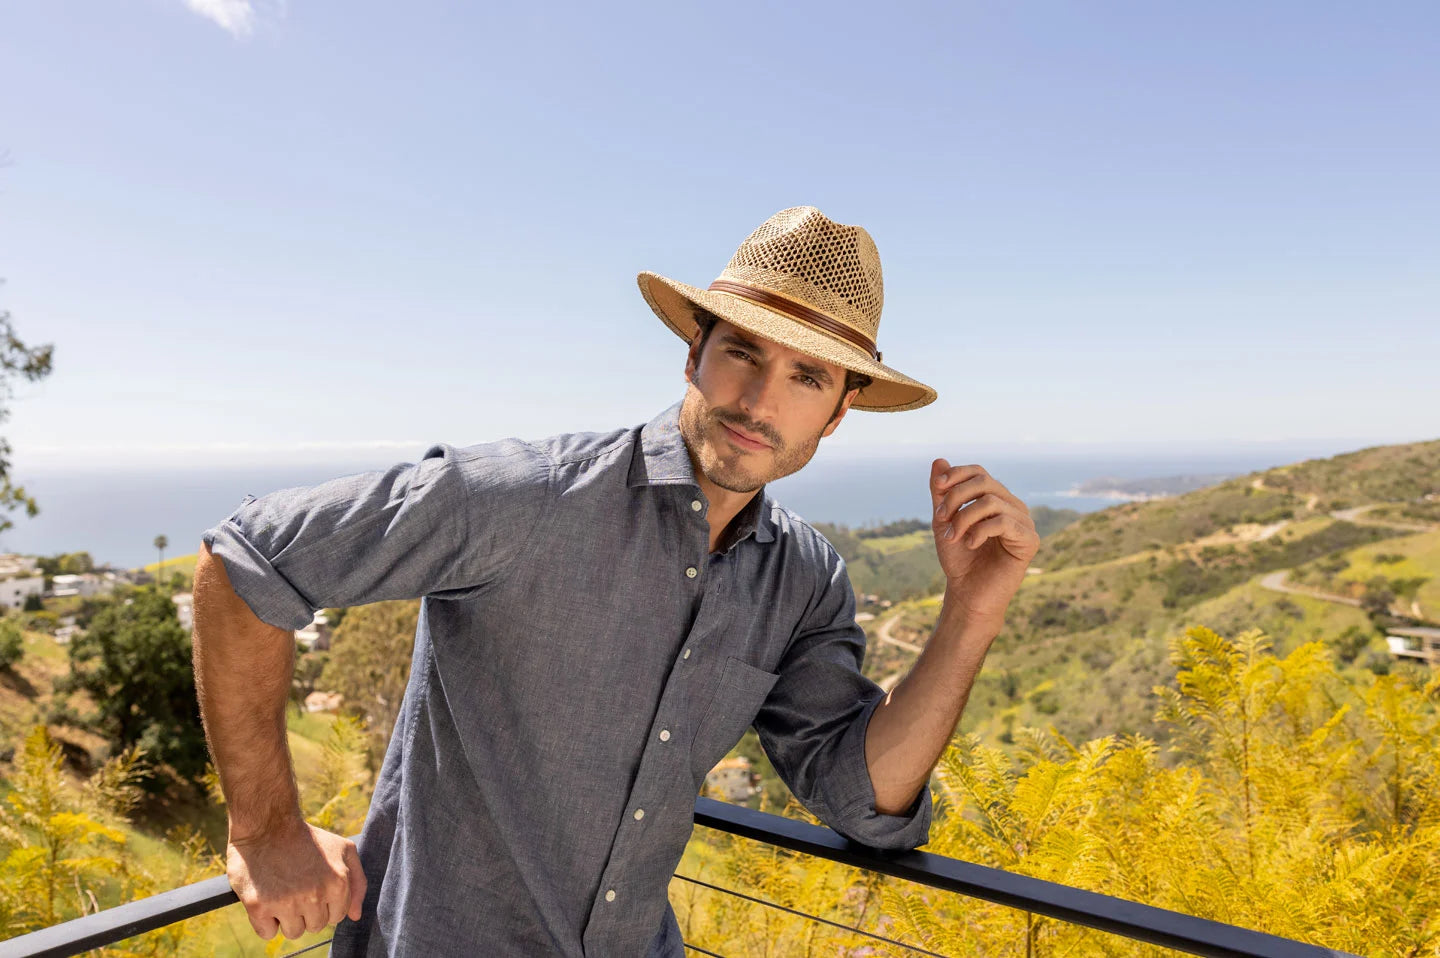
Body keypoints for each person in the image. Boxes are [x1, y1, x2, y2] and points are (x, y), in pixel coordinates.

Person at [191, 206, 1040, 957]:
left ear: (840, 409)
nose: (758, 402)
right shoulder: (521, 498)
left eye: (806, 377)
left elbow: (860, 798)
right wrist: (267, 830)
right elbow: (245, 561)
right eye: (742, 352)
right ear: (693, 352)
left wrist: (970, 612)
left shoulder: (805, 581)